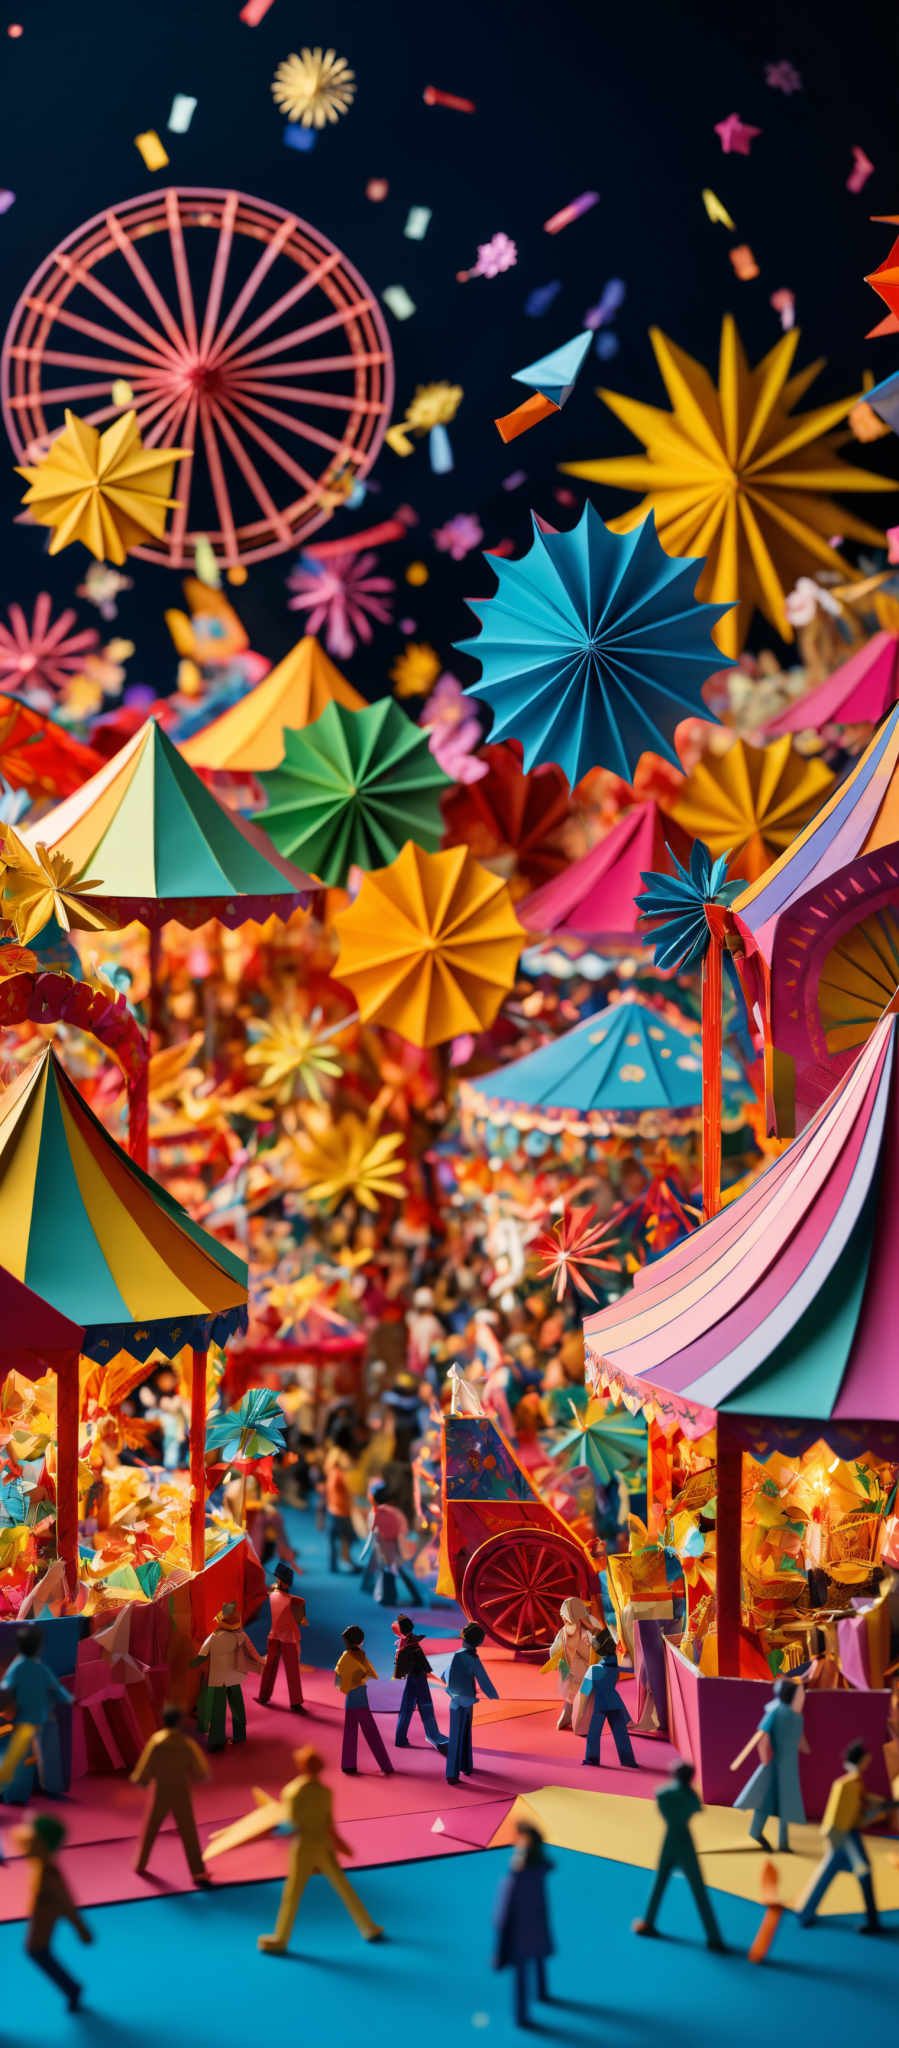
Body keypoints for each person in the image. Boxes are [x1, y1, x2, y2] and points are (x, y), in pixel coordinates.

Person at [258, 1746, 383, 1953]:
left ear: (301, 1766)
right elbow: (329, 1825)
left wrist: (270, 1831)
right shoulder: (325, 1792)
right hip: (323, 1844)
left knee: (293, 1893)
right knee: (343, 1887)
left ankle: (280, 1938)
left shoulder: (293, 1791)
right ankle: (368, 1927)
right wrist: (342, 1845)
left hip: (305, 1846)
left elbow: (291, 1824)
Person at [633, 1760, 725, 1950]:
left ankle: (648, 1922)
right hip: (685, 1841)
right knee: (698, 1889)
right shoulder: (691, 1796)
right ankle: (713, 1937)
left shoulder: (665, 1793)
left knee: (659, 1882)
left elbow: (659, 1795)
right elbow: (699, 1809)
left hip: (670, 1840)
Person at [797, 1741, 885, 1932]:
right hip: (844, 1837)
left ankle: (806, 1912)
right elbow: (836, 1815)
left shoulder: (855, 1784)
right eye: (866, 1761)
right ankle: (872, 1921)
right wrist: (834, 1838)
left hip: (846, 1834)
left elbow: (859, 1809)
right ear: (861, 1761)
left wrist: (877, 1808)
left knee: (830, 1872)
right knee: (863, 1873)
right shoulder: (845, 1785)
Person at [17, 1815, 92, 2011]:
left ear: (43, 1846)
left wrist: (80, 1928)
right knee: (38, 1953)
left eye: (31, 1841)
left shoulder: (49, 1874)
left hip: (44, 1922)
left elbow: (66, 1902)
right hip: (40, 1919)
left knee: (37, 1952)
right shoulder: (40, 1867)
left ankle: (72, 1988)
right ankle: (71, 1988)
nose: (25, 1844)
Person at [131, 1704, 211, 1885]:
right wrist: (199, 1777)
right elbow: (200, 1771)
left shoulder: (157, 1741)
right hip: (181, 1790)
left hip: (160, 1790)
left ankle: (140, 1864)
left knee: (150, 1828)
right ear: (179, 1722)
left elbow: (145, 1766)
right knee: (188, 1832)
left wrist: (141, 1780)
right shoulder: (186, 1744)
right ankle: (197, 1872)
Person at [732, 1677, 808, 1851]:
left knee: (786, 1802)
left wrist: (803, 1745)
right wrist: (765, 1758)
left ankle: (782, 1842)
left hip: (789, 1765)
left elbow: (798, 1737)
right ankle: (758, 1832)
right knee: (767, 1800)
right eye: (799, 1695)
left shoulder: (796, 1717)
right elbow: (763, 1736)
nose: (802, 1698)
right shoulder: (775, 1712)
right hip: (775, 1764)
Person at [0, 1623, 72, 1799]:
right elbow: (55, 1687)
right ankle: (48, 1790)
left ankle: (16, 1793)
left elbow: (6, 1687)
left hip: (28, 1719)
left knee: (22, 1757)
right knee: (44, 1756)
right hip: (41, 1718)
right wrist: (67, 1699)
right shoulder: (37, 1667)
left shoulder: (20, 1666)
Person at [494, 1822, 554, 2028]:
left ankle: (521, 2015)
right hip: (538, 1925)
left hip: (519, 1932)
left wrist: (500, 1950)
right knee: (539, 1963)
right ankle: (543, 1994)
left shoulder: (515, 1880)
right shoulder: (539, 1871)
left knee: (521, 1976)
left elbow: (503, 1916)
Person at [193, 1600, 264, 1752]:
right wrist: (261, 1661)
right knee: (237, 1707)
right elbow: (253, 1653)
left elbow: (201, 1655)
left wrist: (192, 1664)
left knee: (218, 1710)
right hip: (235, 1678)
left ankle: (217, 1739)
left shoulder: (214, 1637)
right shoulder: (241, 1637)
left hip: (218, 1679)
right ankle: (240, 1735)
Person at [574, 1629, 638, 1768]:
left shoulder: (594, 1669)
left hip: (600, 1705)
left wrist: (580, 1713)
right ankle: (628, 1760)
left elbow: (584, 1693)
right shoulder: (616, 1667)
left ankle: (592, 1758)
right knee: (621, 1733)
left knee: (594, 1733)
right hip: (615, 1702)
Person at [335, 1626, 393, 1776]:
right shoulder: (362, 1655)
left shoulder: (345, 1657)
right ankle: (385, 1765)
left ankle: (349, 1765)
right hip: (362, 1695)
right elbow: (371, 1673)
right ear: (360, 1642)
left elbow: (338, 1682)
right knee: (371, 1731)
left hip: (352, 1697)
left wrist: (347, 1684)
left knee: (350, 1732)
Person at [445, 1622, 498, 1785]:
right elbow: (483, 1679)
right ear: (480, 1642)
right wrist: (492, 1694)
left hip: (456, 1699)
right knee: (464, 1734)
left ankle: (455, 1770)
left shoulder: (458, 1655)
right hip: (465, 1700)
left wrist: (451, 1691)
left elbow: (449, 1675)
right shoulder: (472, 1658)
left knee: (457, 1736)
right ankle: (462, 1767)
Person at [545, 1597, 604, 1732]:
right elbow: (555, 1648)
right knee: (577, 1694)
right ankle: (572, 1714)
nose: (564, 1621)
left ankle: (577, 1719)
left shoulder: (577, 1629)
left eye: (564, 1617)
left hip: (581, 1668)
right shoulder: (578, 1627)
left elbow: (554, 1650)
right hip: (581, 1667)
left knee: (578, 1696)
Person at [392, 1616, 448, 1753]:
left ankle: (400, 1738)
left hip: (412, 1676)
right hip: (418, 1677)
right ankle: (433, 1735)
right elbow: (422, 1663)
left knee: (406, 1708)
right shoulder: (410, 1645)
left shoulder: (404, 1644)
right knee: (425, 1706)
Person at [258, 1561, 306, 1712]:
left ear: (278, 1580)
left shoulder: (275, 1595)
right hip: (283, 1636)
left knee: (279, 1668)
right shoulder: (292, 1600)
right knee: (284, 1668)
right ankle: (293, 1701)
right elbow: (300, 1619)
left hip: (279, 1635)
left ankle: (267, 1696)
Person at [324, 1429, 359, 1573]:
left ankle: (336, 1564)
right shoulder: (337, 1474)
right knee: (345, 1538)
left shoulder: (333, 1472)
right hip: (340, 1509)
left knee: (336, 1538)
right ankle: (346, 1562)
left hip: (335, 1508)